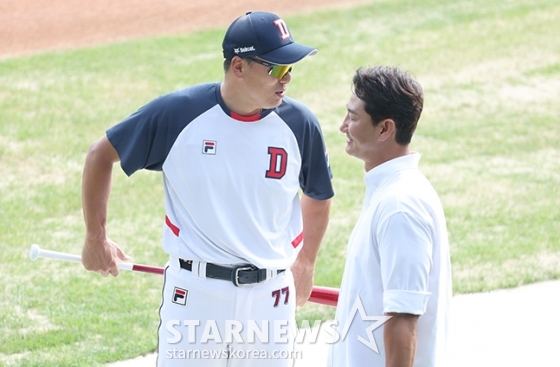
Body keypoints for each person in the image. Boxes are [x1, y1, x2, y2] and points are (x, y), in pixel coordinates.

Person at [80, 11, 334, 366]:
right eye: (276, 68)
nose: (287, 78)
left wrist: (306, 261)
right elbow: (99, 156)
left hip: (271, 299)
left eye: (291, 67)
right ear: (239, 67)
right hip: (195, 297)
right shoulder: (178, 114)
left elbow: (318, 195)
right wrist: (96, 238)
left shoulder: (299, 123)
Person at [328, 66, 452, 367]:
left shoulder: (400, 206)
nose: (343, 126)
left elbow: (403, 318)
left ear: (385, 129)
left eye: (353, 117)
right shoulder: (389, 193)